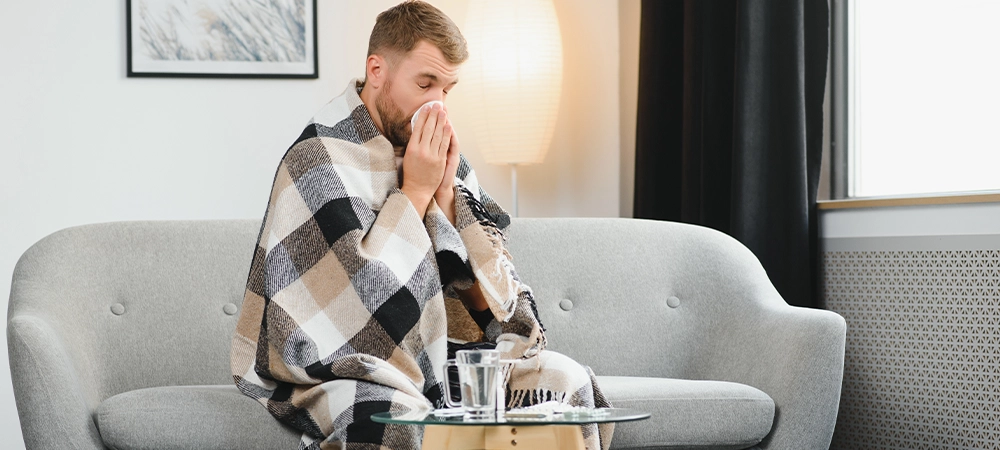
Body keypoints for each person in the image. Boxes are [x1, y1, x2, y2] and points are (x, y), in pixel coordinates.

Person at [230, 2, 613, 449]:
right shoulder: (317, 159)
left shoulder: (439, 156)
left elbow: (497, 308)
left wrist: (448, 200)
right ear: (377, 70)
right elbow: (360, 319)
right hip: (343, 367)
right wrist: (414, 193)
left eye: (448, 89)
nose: (437, 104)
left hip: (446, 360)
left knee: (565, 384)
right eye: (425, 83)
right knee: (393, 420)